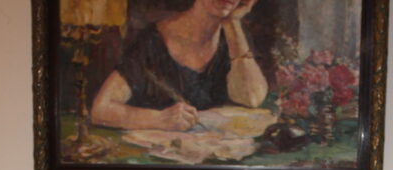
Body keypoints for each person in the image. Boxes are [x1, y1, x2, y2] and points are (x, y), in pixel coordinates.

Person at [90, 0, 268, 131]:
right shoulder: (154, 40)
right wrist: (159, 119)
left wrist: (232, 23)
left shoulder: (234, 39)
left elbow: (251, 98)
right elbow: (101, 109)